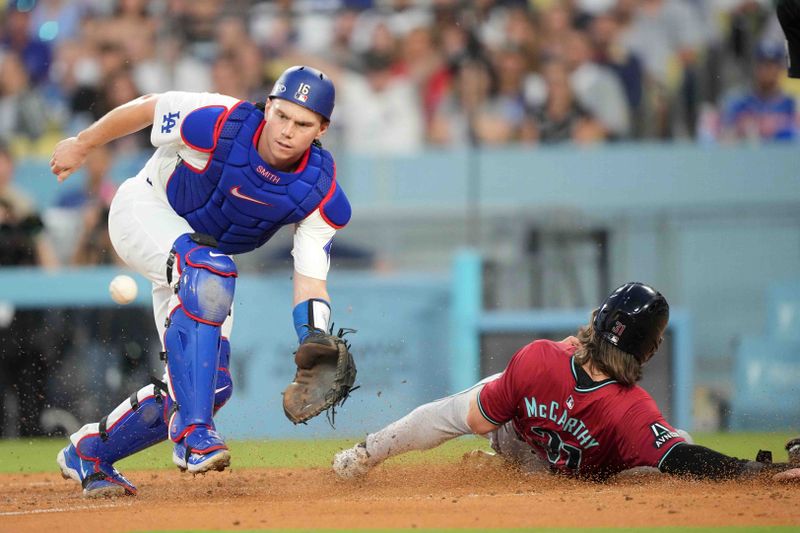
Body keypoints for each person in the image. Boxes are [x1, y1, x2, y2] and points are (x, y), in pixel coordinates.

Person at [50, 65, 352, 498]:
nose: (286, 130)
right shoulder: (218, 120)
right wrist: (83, 144)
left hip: (199, 256)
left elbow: (310, 280)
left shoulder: (318, 192)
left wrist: (314, 336)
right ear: (268, 105)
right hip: (146, 210)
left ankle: (90, 452)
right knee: (210, 271)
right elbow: (147, 107)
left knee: (210, 386)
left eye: (302, 123)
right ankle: (193, 436)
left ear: (322, 128)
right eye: (281, 115)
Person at [333, 282, 799, 482]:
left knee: (464, 410)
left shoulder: (538, 358)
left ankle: (364, 453)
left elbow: (464, 418)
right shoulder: (633, 411)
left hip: (518, 444)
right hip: (581, 471)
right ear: (649, 350)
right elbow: (688, 458)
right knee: (676, 445)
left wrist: (372, 452)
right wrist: (765, 472)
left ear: (597, 319)